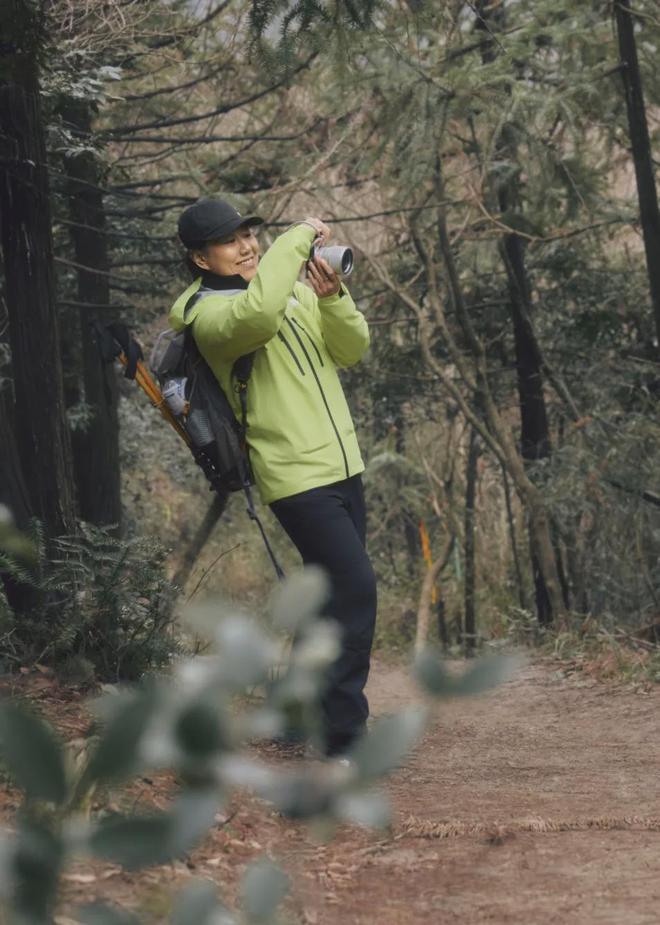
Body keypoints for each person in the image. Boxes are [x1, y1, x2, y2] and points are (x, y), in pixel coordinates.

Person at [170, 198, 377, 758]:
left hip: (342, 463)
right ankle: (341, 733)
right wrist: (297, 237)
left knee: (324, 591)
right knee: (355, 588)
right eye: (230, 241)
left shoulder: (286, 288)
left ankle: (293, 710)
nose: (246, 247)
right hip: (293, 474)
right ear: (199, 257)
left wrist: (333, 298)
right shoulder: (206, 315)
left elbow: (352, 349)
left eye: (249, 235)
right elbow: (256, 318)